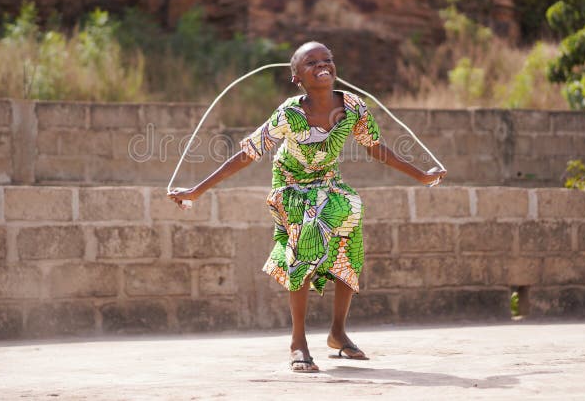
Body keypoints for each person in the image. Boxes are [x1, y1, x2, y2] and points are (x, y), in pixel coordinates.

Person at [168, 41, 446, 373]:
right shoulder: (289, 113)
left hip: (329, 184)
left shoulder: (354, 106)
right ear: (296, 77)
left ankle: (337, 333)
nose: (321, 65)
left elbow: (376, 148)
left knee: (350, 227)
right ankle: (298, 342)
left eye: (327, 59)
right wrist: (197, 191)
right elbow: (248, 153)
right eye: (311, 62)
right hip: (291, 187)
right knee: (307, 236)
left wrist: (422, 176)